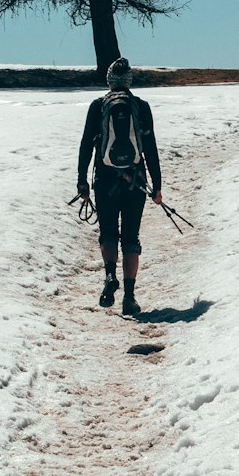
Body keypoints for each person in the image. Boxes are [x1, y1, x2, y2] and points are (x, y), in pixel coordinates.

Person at [76, 57, 163, 317]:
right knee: (131, 236)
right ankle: (129, 296)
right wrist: (157, 185)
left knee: (108, 232)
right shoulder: (141, 107)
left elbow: (85, 146)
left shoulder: (98, 106)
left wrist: (82, 181)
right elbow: (151, 148)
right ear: (129, 82)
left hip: (105, 179)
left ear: (109, 82)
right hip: (135, 180)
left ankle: (109, 276)